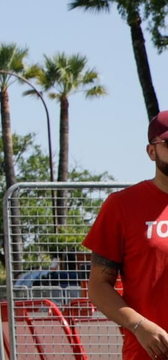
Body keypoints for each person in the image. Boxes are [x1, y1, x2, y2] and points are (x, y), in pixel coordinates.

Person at [83, 109, 168, 360]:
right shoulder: (122, 205)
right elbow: (98, 286)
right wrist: (140, 326)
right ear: (151, 151)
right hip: (151, 352)